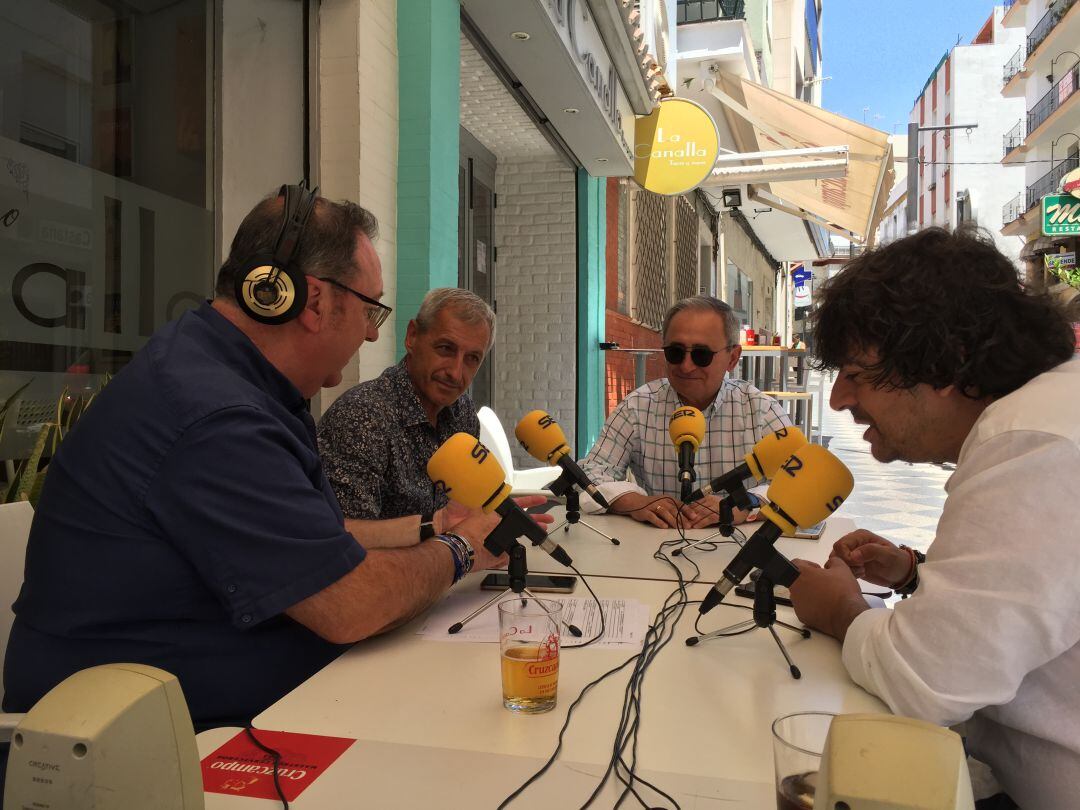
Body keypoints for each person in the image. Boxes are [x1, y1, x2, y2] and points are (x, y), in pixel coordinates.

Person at [1, 187, 544, 735]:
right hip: (147, 743)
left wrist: (438, 524)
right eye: (369, 309)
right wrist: (461, 548)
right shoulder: (215, 416)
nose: (371, 331)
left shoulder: (233, 382)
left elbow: (317, 539)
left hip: (235, 709)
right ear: (312, 302)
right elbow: (349, 605)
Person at [786, 227, 1079, 809]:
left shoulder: (1035, 442)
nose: (839, 399)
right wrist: (915, 574)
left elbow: (926, 681)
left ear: (946, 363)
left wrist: (840, 609)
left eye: (856, 373)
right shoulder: (1048, 413)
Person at [578, 296, 790, 529]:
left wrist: (744, 506)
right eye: (675, 352)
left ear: (732, 358)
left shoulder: (760, 411)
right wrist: (636, 502)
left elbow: (800, 482)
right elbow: (589, 475)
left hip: (740, 545)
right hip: (654, 544)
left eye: (701, 355)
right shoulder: (637, 406)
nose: (686, 366)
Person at [317, 288, 494, 546]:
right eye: (446, 349)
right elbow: (342, 547)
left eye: (472, 359)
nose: (456, 373)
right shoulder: (362, 417)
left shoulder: (462, 411)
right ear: (412, 336)